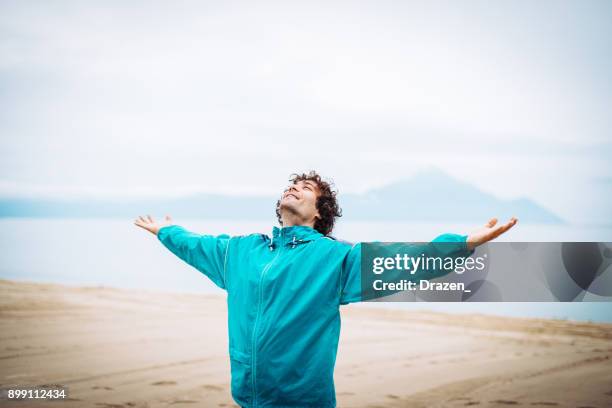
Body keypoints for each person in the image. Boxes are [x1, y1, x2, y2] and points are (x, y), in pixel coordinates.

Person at [134, 171, 518, 408]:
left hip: (302, 402)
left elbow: (404, 260)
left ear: (320, 212)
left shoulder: (335, 259)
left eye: (304, 187)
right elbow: (195, 244)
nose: (293, 189)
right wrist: (166, 232)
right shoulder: (240, 251)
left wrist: (462, 243)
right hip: (247, 397)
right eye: (291, 185)